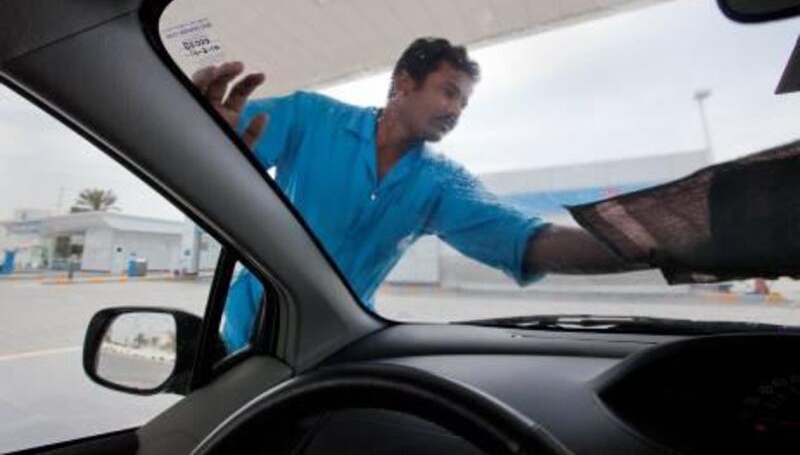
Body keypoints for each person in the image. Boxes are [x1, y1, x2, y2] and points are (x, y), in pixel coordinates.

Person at [192, 38, 645, 351]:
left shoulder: (442, 183)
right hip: (248, 331)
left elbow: (532, 240)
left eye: (464, 103)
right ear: (403, 83)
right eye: (448, 92)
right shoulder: (311, 116)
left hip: (336, 341)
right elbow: (225, 145)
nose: (455, 110)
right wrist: (201, 132)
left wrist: (651, 244)